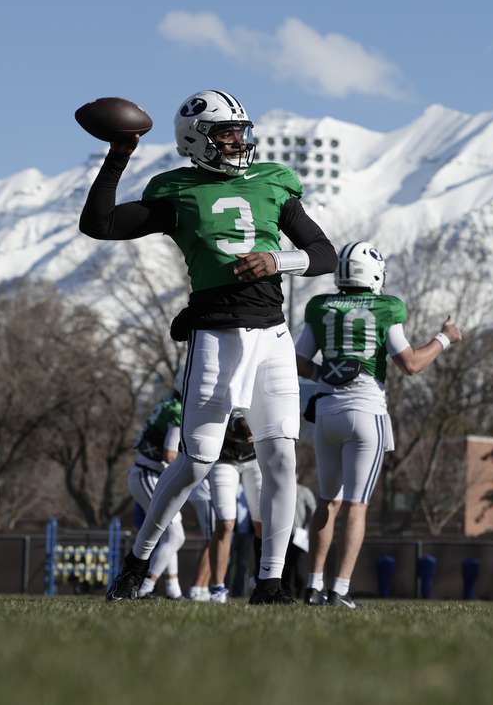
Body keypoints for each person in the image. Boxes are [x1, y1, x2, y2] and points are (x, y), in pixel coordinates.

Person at [80, 89, 337, 604]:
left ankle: (269, 582)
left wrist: (278, 262)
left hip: (273, 337)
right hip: (216, 336)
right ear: (197, 139)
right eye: (227, 132)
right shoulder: (176, 190)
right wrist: (119, 154)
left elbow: (323, 253)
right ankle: (137, 563)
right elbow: (99, 224)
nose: (239, 140)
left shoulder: (273, 182)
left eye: (241, 130)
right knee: (196, 460)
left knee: (280, 459)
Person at [295, 241, 462, 608]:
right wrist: (444, 338)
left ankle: (312, 586)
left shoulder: (321, 306)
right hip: (365, 410)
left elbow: (299, 361)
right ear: (372, 273)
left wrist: (330, 371)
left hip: (326, 412)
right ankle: (339, 589)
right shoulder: (386, 306)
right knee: (356, 506)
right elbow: (411, 364)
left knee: (327, 503)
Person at [127, 390, 186, 599]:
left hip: (150, 474)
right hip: (149, 475)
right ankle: (144, 586)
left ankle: (172, 589)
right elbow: (170, 455)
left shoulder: (170, 403)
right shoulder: (178, 410)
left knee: (169, 535)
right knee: (175, 535)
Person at [201, 411, 263, 603]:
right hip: (224, 456)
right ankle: (218, 587)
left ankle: (264, 581)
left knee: (263, 523)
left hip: (254, 457)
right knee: (226, 523)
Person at [282, 482, 317, 597]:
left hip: (300, 534)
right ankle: (286, 592)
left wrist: (308, 527)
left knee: (299, 566)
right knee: (285, 566)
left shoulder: (304, 491)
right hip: (284, 534)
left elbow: (313, 509)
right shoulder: (281, 490)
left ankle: (301, 593)